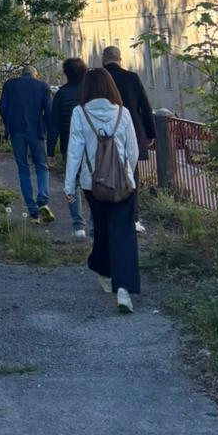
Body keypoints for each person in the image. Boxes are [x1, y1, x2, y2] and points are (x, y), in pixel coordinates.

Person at [63, 68, 141, 313]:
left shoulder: (80, 113)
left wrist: (70, 185)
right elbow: (133, 151)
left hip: (93, 184)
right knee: (124, 232)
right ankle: (124, 288)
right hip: (124, 184)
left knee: (103, 228)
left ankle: (105, 272)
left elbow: (74, 152)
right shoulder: (122, 113)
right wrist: (127, 174)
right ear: (110, 87)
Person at [102, 46, 155, 234]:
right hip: (132, 131)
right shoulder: (132, 78)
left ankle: (110, 216)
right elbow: (145, 107)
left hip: (106, 133)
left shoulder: (99, 79)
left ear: (104, 59)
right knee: (132, 175)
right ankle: (133, 218)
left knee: (106, 173)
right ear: (120, 59)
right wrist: (150, 134)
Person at [0, 65, 55, 223]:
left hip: (16, 131)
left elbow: (2, 107)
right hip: (36, 132)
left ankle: (33, 211)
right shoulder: (43, 86)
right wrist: (46, 129)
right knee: (42, 167)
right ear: (35, 75)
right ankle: (43, 200)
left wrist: (8, 125)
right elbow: (49, 111)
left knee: (23, 170)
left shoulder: (10, 84)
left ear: (22, 74)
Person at [47, 57, 88, 239]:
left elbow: (53, 126)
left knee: (73, 184)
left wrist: (50, 152)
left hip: (69, 146)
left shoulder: (61, 94)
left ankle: (79, 225)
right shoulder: (91, 92)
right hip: (92, 146)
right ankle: (95, 222)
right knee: (93, 184)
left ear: (66, 73)